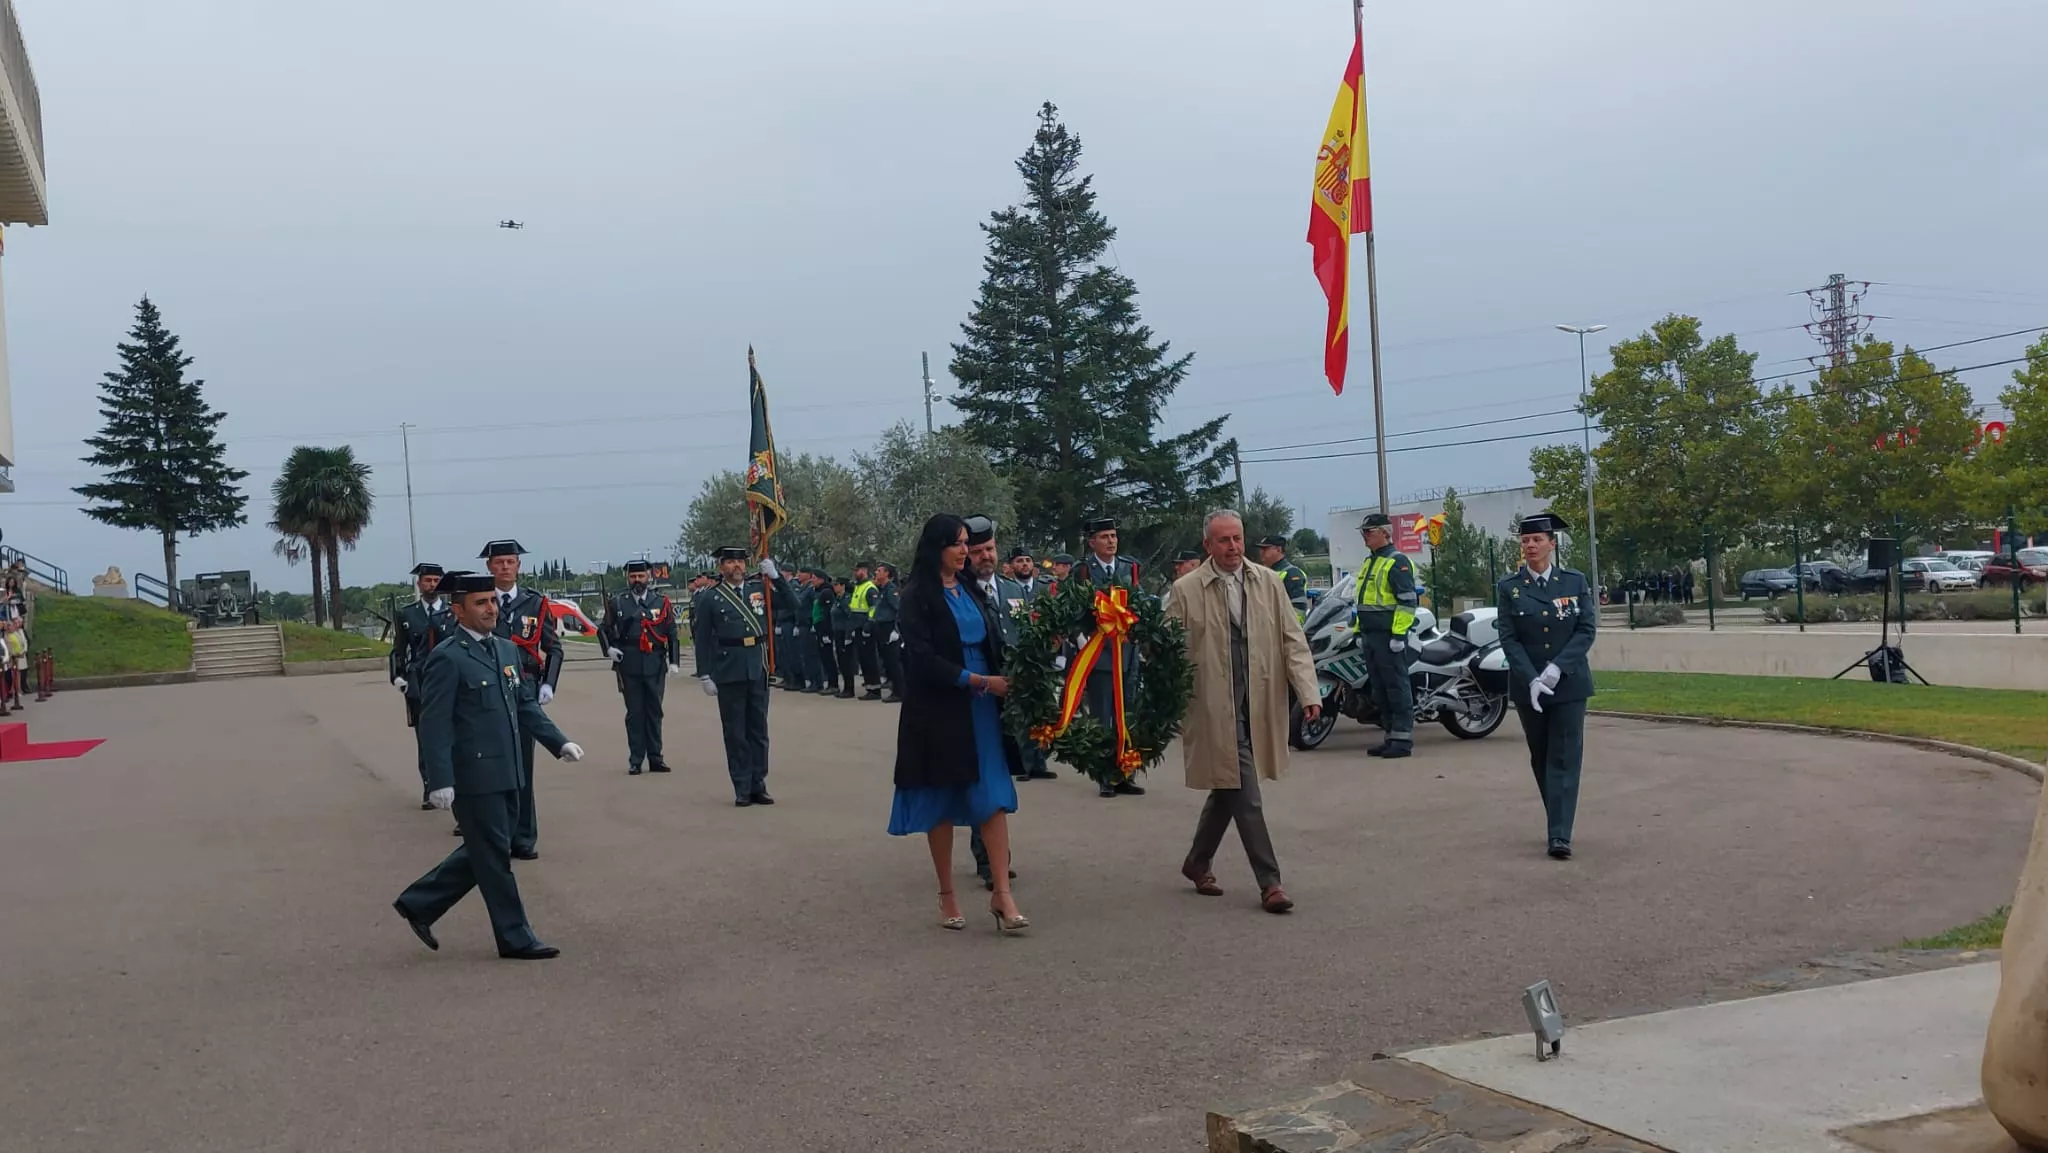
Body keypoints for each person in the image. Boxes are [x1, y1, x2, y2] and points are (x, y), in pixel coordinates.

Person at [392, 571, 587, 960]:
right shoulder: (447, 657)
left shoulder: (506, 649)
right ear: (458, 610)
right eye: (480, 603)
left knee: (487, 849)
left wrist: (558, 741)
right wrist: (440, 779)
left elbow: (525, 705)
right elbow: (434, 723)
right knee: (495, 858)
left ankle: (419, 903)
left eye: (492, 601)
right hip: (474, 775)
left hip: (509, 769)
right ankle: (515, 937)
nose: (490, 609)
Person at [1165, 510, 1318, 914]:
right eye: (1223, 541)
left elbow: (1292, 639)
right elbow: (1164, 652)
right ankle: (1270, 882)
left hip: (1260, 701)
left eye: (1237, 539)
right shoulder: (1185, 590)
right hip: (1214, 708)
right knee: (1246, 795)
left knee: (1228, 785)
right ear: (1207, 546)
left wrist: (1308, 692)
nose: (1232, 548)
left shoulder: (1268, 582)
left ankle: (1197, 861)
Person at [888, 514, 1028, 934]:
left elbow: (992, 638)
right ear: (937, 548)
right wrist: (979, 681)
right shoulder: (917, 595)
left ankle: (1002, 894)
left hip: (984, 705)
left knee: (992, 794)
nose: (966, 550)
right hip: (940, 706)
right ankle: (947, 894)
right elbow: (922, 657)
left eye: (968, 543)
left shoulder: (970, 588)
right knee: (944, 796)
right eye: (958, 543)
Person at [1496, 511, 1599, 860]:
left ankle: (1559, 834)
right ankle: (1557, 816)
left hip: (1568, 685)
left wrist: (1556, 670)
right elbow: (1509, 638)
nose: (1530, 546)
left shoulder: (1574, 582)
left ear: (1551, 545)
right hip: (1529, 687)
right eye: (1525, 540)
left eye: (1537, 540)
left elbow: (1586, 629)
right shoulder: (1509, 587)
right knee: (1541, 757)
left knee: (1564, 758)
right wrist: (1533, 678)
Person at [962, 515, 1048, 890]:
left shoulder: (1013, 591)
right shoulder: (961, 593)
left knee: (1003, 772)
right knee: (985, 775)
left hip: (1014, 696)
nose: (986, 557)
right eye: (978, 551)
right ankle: (989, 859)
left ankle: (991, 851)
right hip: (980, 696)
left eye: (990, 549)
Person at [693, 547, 795, 807]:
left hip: (757, 666)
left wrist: (776, 578)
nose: (736, 566)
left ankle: (758, 784)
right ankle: (741, 786)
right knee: (736, 732)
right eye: (730, 562)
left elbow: (794, 604)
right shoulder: (711, 598)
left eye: (740, 561)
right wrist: (705, 673)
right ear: (721, 567)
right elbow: (702, 639)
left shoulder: (758, 589)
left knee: (758, 731)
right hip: (729, 669)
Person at [480, 539, 561, 858]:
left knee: (522, 765)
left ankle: (524, 837)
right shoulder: (480, 600)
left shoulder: (535, 603)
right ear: (489, 567)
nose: (504, 567)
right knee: (489, 762)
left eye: (510, 562)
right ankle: (496, 833)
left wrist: (549, 684)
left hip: (525, 686)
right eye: (498, 562)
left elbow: (553, 647)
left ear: (518, 566)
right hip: (486, 686)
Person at [1079, 517, 1145, 798]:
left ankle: (1124, 773)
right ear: (1092, 541)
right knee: (1102, 717)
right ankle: (1104, 775)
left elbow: (1137, 603)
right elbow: (1075, 609)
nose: (1111, 541)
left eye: (1114, 535)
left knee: (1126, 717)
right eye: (1104, 536)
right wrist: (1081, 641)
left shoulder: (1128, 567)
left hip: (1126, 652)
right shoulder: (1083, 570)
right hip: (1100, 653)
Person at [601, 560, 681, 776]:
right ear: (628, 578)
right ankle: (636, 759)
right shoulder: (617, 602)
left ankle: (656, 757)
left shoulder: (661, 602)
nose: (637, 581)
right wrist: (609, 650)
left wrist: (673, 661)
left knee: (654, 711)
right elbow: (604, 630)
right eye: (633, 577)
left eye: (641, 576)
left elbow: (672, 633)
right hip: (629, 663)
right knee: (635, 713)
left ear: (649, 577)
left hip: (655, 662)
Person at [1354, 513, 1419, 759]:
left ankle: (1402, 740)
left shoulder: (1396, 561)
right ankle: (1390, 736)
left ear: (1384, 532)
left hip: (1388, 637)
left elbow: (1407, 603)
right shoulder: (1371, 561)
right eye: (1363, 533)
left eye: (1368, 533)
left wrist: (1398, 635)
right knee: (1380, 690)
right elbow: (1362, 602)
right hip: (1371, 636)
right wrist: (1358, 630)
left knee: (1396, 687)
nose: (1365, 537)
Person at [389, 562, 452, 809]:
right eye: (427, 580)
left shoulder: (453, 612)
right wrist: (397, 676)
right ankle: (430, 786)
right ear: (419, 583)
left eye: (436, 580)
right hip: (419, 681)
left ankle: (453, 784)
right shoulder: (408, 614)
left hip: (448, 678)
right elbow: (398, 648)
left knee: (453, 733)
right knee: (425, 736)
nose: (432, 585)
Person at [846, 562, 884, 700]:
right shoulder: (858, 587)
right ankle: (869, 687)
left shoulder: (869, 588)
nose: (855, 573)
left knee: (869, 659)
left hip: (865, 628)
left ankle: (875, 689)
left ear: (864, 570)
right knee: (863, 659)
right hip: (857, 627)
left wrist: (869, 624)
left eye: (857, 571)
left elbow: (874, 608)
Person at [1255, 535, 1311, 621]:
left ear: (1278, 549)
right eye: (1261, 549)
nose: (1261, 552)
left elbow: (1298, 608)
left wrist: (1292, 631)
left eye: (1265, 549)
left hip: (1284, 630)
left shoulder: (1292, 573)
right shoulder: (1264, 573)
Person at [871, 562, 904, 702]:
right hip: (881, 628)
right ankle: (894, 689)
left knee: (893, 661)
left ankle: (899, 692)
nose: (876, 573)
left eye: (879, 570)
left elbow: (899, 609)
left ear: (887, 574)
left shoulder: (891, 590)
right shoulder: (882, 589)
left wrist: (896, 630)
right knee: (887, 661)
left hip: (889, 628)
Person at [809, 570, 842, 696]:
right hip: (819, 629)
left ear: (821, 579)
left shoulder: (827, 592)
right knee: (824, 657)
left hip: (825, 630)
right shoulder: (818, 592)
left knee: (828, 658)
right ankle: (830, 683)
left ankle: (833, 684)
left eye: (814, 578)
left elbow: (828, 614)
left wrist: (826, 633)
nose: (812, 580)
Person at [829, 573, 860, 698]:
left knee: (846, 661)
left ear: (843, 586)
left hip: (844, 633)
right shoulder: (838, 599)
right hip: (837, 632)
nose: (834, 587)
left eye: (836, 585)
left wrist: (848, 635)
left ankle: (849, 689)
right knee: (841, 661)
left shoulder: (846, 599)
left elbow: (850, 617)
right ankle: (846, 687)